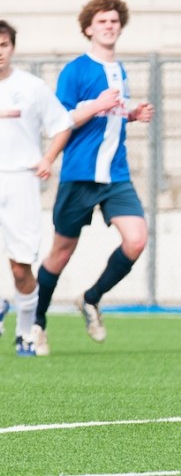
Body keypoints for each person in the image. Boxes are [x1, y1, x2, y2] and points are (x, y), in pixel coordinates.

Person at [30, 0, 155, 357]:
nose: (109, 26)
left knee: (136, 240)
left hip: (116, 175)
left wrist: (131, 114)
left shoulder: (121, 70)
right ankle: (37, 323)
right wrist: (93, 108)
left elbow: (110, 115)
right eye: (102, 21)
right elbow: (61, 119)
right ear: (88, 28)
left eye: (114, 21)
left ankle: (90, 298)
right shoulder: (75, 70)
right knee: (60, 253)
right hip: (80, 174)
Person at [0, 20, 72, 356]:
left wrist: (48, 158)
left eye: (3, 45)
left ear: (12, 47)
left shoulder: (31, 87)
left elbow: (62, 124)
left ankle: (26, 330)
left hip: (21, 181)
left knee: (20, 267)